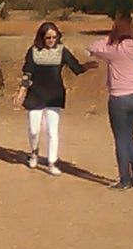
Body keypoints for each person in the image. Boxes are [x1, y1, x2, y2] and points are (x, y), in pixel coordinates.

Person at [14, 22, 98, 175]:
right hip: (36, 95)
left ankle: (52, 162)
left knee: (53, 131)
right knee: (34, 129)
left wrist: (89, 66)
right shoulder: (33, 52)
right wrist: (22, 91)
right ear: (42, 38)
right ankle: (34, 152)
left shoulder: (62, 51)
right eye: (48, 38)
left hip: (54, 95)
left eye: (54, 37)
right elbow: (27, 73)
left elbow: (76, 68)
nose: (51, 40)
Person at [87, 14, 133, 190]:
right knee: (129, 137)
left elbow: (92, 47)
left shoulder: (115, 48)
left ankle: (124, 179)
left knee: (121, 139)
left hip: (119, 98)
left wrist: (110, 38)